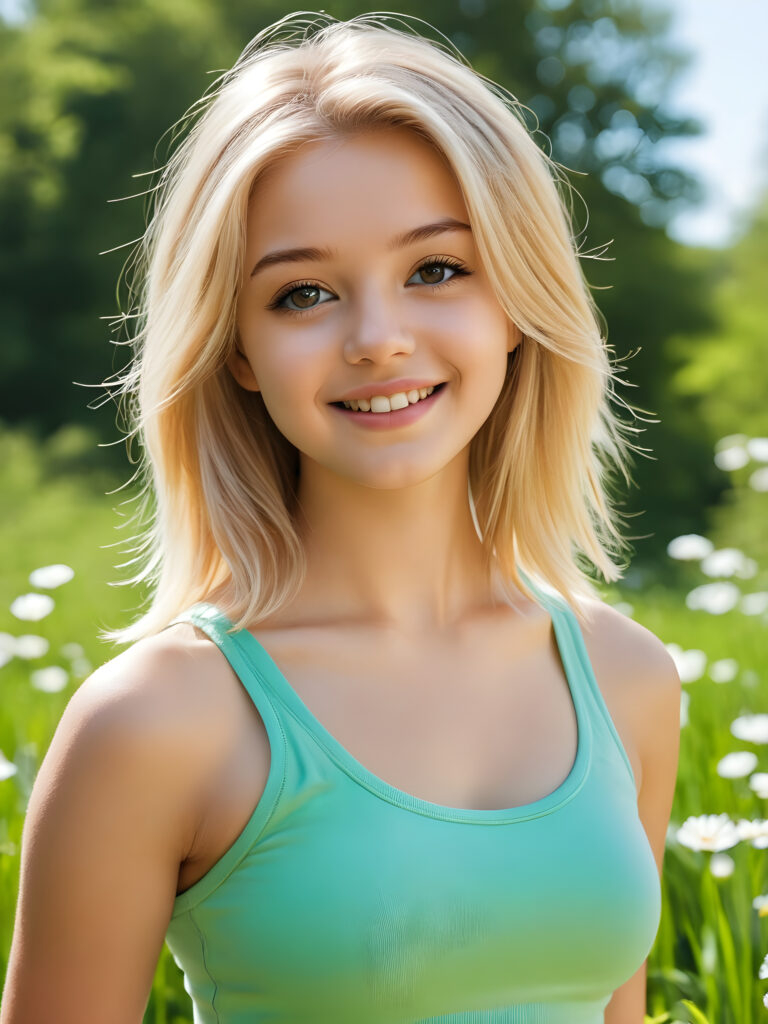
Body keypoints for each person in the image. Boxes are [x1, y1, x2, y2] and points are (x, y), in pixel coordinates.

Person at [1, 12, 681, 1024]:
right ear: (236, 349)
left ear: (517, 300)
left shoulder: (627, 679)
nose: (377, 339)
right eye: (303, 293)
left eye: (437, 270)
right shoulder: (156, 720)